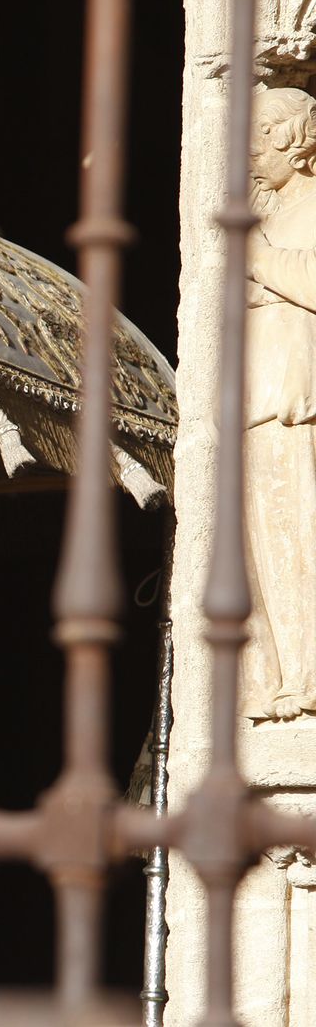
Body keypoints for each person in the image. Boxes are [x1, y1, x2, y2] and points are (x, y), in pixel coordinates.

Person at [241, 88, 316, 720]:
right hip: (254, 393)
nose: (251, 156)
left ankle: (307, 678)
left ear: (293, 140)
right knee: (261, 549)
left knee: (300, 540)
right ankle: (275, 677)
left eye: (261, 141)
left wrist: (259, 260)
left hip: (297, 396)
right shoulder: (263, 212)